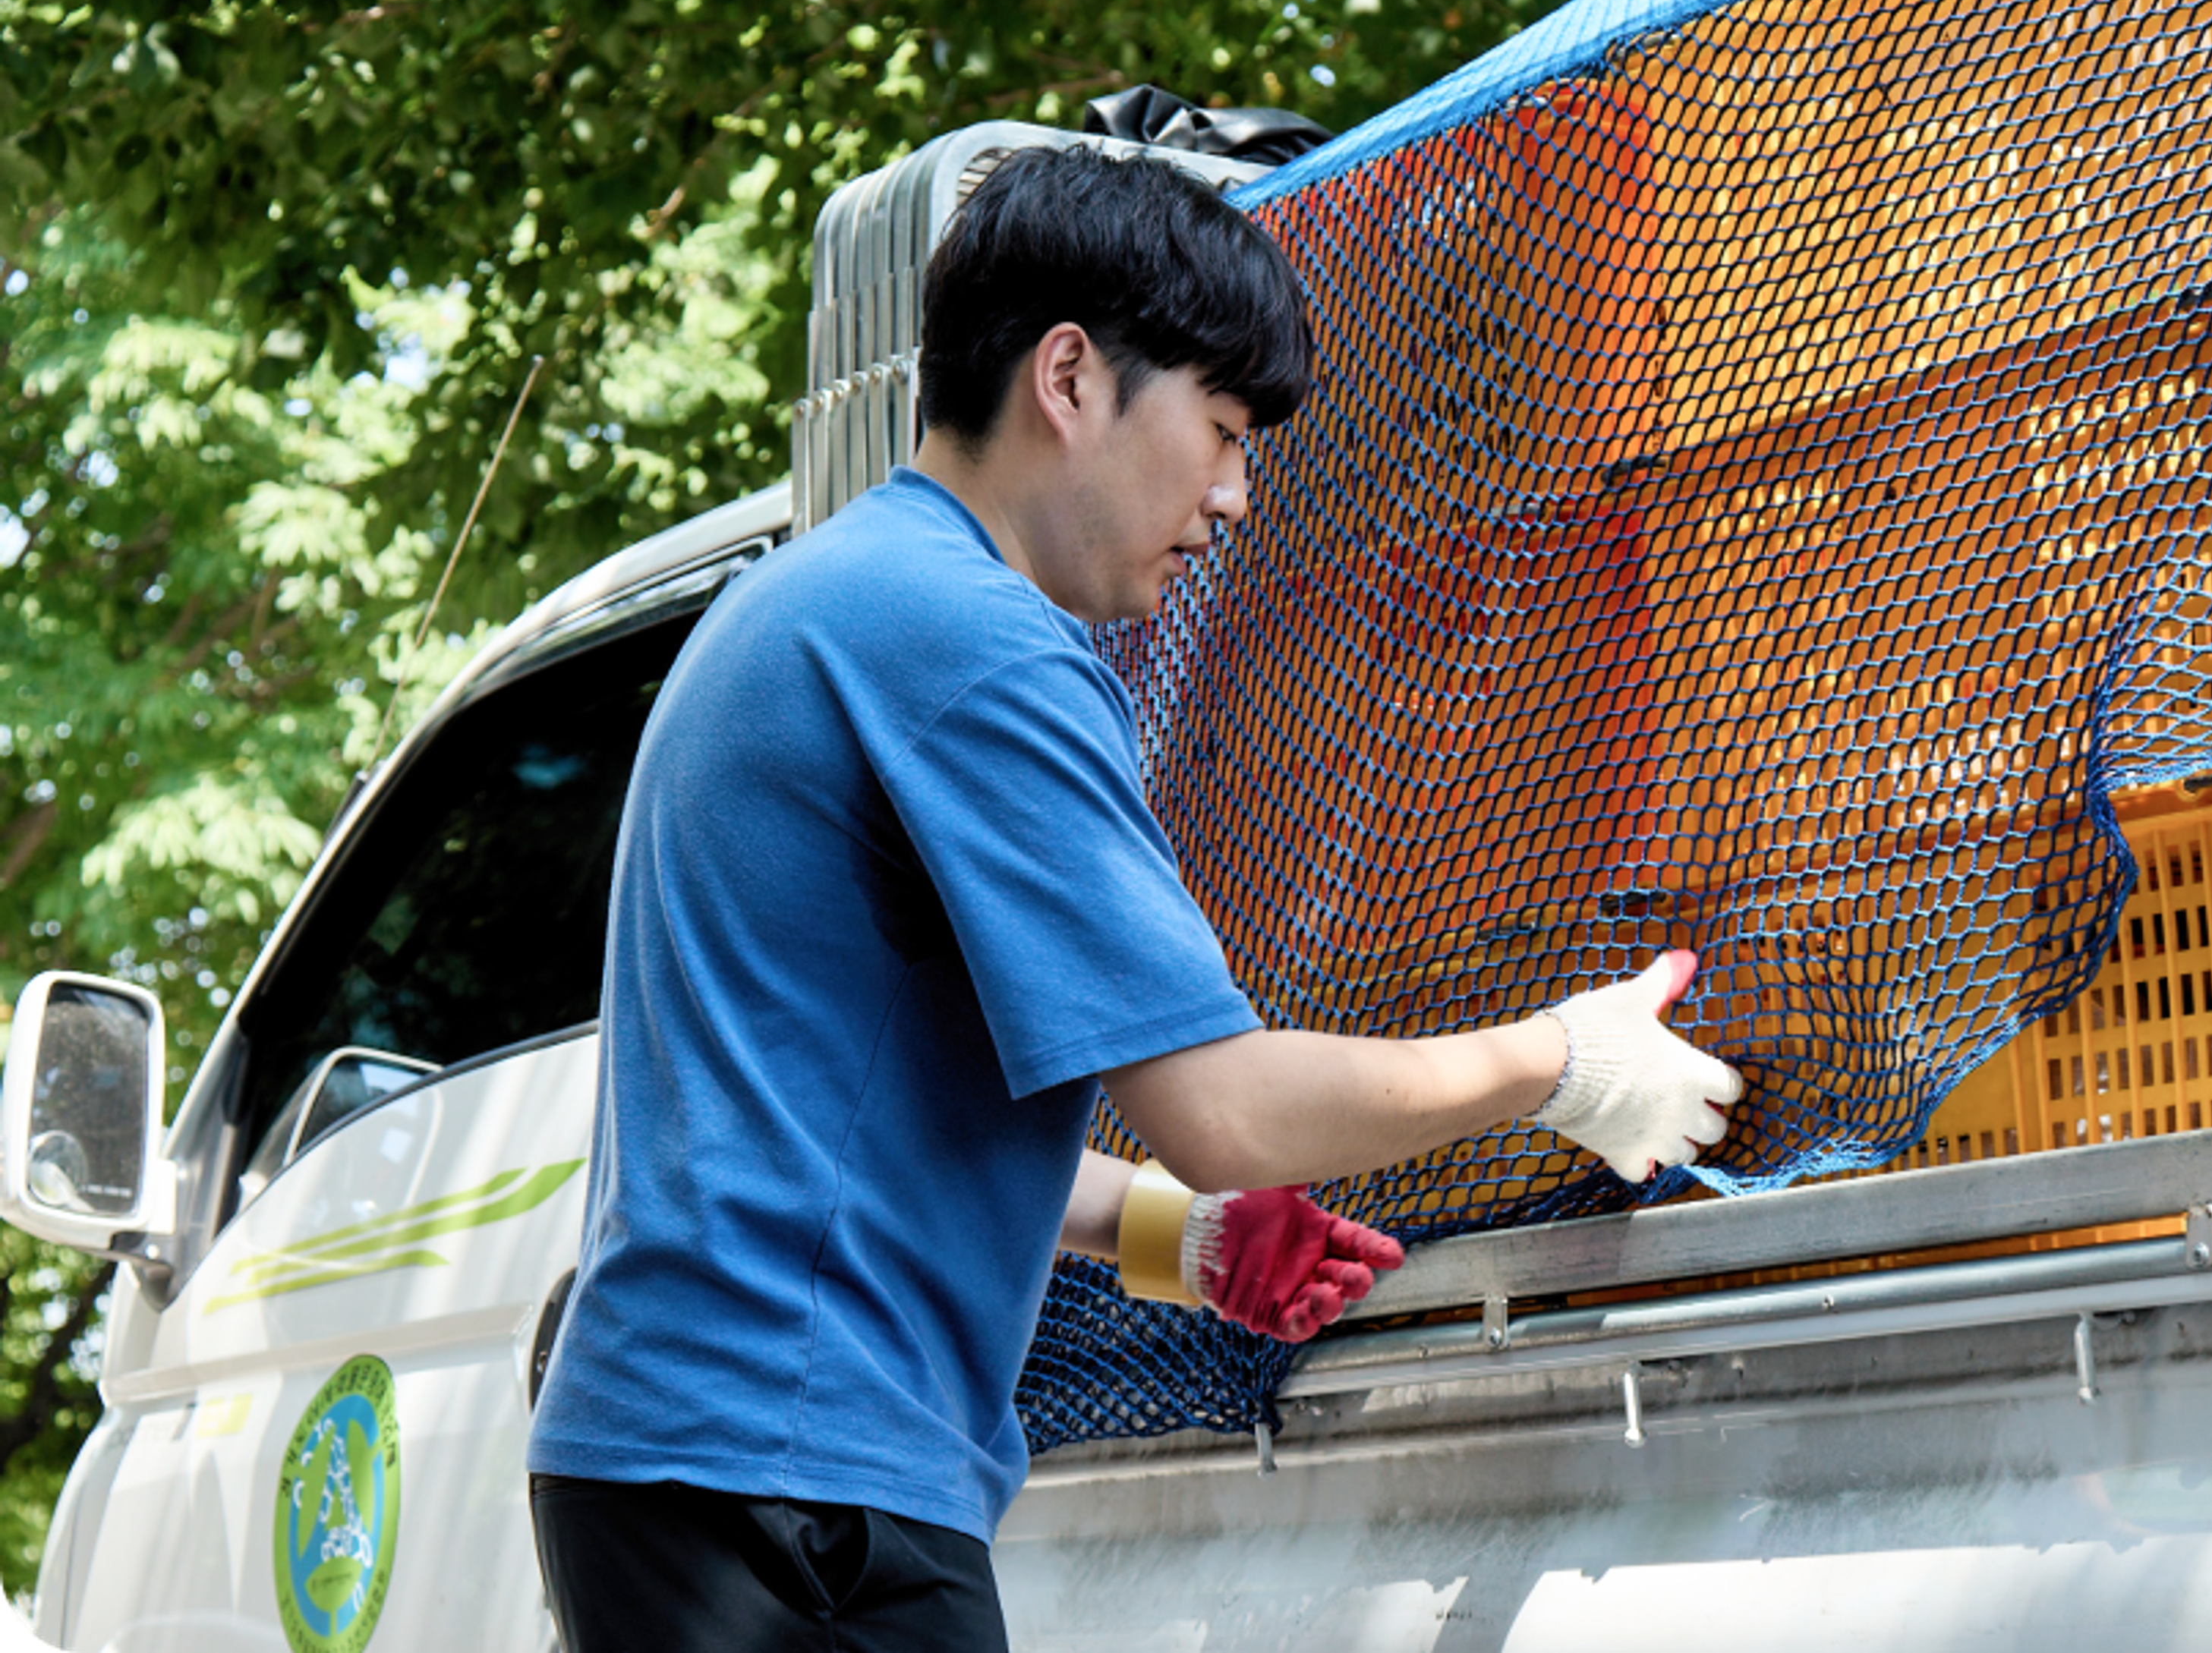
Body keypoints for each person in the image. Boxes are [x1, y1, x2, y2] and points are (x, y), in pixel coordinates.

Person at [521, 143, 1741, 1652]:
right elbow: (1221, 1111)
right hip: (791, 1478)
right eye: (1222, 429)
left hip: (699, 1466)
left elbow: (858, 1134)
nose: (1235, 497)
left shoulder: (818, 599)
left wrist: (1190, 1245)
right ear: (1072, 379)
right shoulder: (972, 646)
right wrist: (1559, 1061)